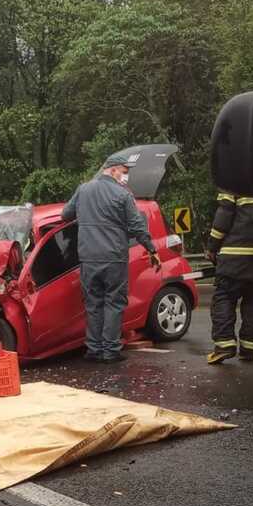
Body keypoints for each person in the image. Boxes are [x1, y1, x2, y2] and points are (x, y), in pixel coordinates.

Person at [61, 154, 161, 363]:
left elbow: (65, 215)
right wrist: (151, 249)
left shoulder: (83, 190)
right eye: (124, 172)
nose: (126, 177)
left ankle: (93, 350)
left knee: (93, 304)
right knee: (114, 303)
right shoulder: (122, 195)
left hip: (89, 258)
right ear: (113, 169)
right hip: (114, 258)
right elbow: (137, 226)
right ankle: (110, 351)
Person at [205, 184, 253, 365]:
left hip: (235, 254)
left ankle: (224, 345)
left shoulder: (235, 181)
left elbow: (223, 218)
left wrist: (212, 247)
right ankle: (249, 349)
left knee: (224, 297)